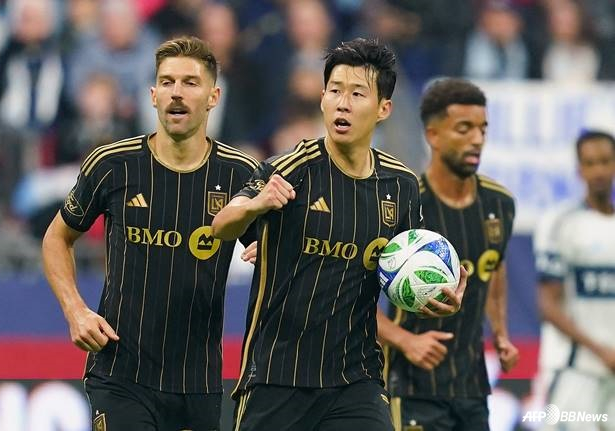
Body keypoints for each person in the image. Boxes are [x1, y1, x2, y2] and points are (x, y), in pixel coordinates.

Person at [211, 38, 467, 431]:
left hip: (355, 380)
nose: (342, 103)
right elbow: (222, 225)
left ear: (383, 109)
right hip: (276, 377)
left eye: (357, 94)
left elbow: (402, 273)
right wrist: (256, 205)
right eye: (335, 91)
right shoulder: (290, 168)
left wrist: (434, 295)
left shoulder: (400, 186)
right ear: (322, 99)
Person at [42, 36, 258, 430]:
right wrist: (75, 310)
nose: (177, 92)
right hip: (120, 375)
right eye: (167, 82)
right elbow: (57, 237)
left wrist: (269, 251)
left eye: (190, 82)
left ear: (213, 97)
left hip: (198, 383)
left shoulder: (239, 174)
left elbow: (271, 250)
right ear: (153, 95)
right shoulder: (112, 164)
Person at [377, 78, 519, 431]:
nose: (477, 139)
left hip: (472, 385)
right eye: (464, 128)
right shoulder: (405, 203)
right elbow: (351, 294)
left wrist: (501, 333)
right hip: (411, 384)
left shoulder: (499, 203)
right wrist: (406, 340)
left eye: (483, 129)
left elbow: (494, 267)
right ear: (433, 135)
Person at [534, 130, 615, 431]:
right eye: (590, 163)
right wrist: (601, 350)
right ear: (579, 170)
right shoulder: (560, 223)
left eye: (605, 161)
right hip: (576, 370)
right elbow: (548, 305)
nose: (599, 171)